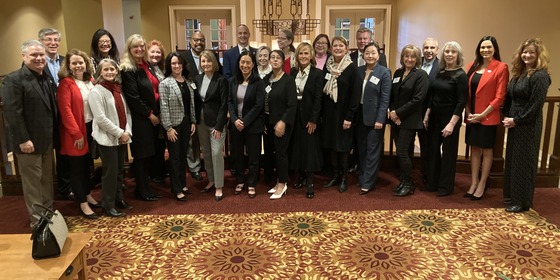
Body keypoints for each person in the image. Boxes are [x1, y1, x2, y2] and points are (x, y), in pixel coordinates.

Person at [1, 40, 58, 227]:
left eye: (41, 54)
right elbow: (12, 113)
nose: (39, 58)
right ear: (24, 56)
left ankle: (48, 215)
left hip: (46, 140)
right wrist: (24, 139)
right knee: (33, 183)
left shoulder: (46, 78)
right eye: (34, 55)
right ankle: (38, 223)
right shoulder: (13, 79)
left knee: (46, 180)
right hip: (28, 142)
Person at [502, 38, 551, 213]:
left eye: (531, 52)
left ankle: (522, 202)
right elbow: (510, 97)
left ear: (538, 55)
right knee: (513, 161)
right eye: (524, 51)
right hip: (514, 121)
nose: (527, 55)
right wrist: (507, 116)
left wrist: (517, 120)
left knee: (524, 162)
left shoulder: (541, 76)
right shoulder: (520, 73)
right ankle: (511, 196)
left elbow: (535, 105)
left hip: (528, 124)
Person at [56, 49, 101, 219]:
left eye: (80, 62)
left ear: (86, 63)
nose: (78, 65)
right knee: (77, 168)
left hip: (91, 129)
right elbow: (65, 111)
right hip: (75, 132)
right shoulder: (65, 83)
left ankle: (88, 194)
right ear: (68, 65)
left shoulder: (90, 81)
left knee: (88, 165)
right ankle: (81, 202)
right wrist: (77, 134)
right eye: (74, 63)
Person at [464, 36, 509, 200]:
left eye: (489, 47)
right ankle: (474, 182)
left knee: (486, 150)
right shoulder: (472, 65)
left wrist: (482, 115)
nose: (485, 50)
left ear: (495, 49)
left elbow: (500, 96)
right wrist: (468, 112)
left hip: (487, 116)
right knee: (474, 149)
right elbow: (466, 93)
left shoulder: (501, 67)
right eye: (482, 47)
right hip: (471, 115)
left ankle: (482, 183)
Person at [89, 58, 133, 217]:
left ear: (117, 71)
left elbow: (126, 113)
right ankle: (108, 205)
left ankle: (118, 199)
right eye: (106, 69)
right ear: (100, 72)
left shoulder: (117, 89)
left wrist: (126, 131)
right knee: (110, 173)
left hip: (121, 137)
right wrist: (120, 132)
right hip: (107, 139)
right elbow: (100, 119)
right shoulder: (96, 91)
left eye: (112, 69)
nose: (109, 72)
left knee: (119, 171)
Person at [120, 34, 161, 201]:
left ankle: (145, 187)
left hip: (152, 117)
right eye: (135, 46)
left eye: (142, 46)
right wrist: (149, 115)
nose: (139, 49)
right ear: (129, 49)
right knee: (141, 155)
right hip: (140, 119)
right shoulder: (127, 69)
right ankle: (142, 190)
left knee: (149, 154)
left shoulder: (146, 65)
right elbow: (133, 98)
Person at [424, 41, 467, 197]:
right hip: (435, 116)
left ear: (458, 55)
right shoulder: (440, 72)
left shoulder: (461, 75)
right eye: (447, 51)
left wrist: (451, 124)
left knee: (448, 153)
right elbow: (433, 94)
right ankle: (432, 183)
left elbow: (462, 101)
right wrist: (427, 113)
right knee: (433, 150)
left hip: (450, 118)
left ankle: (445, 186)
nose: (449, 54)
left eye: (453, 52)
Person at [322, 36, 361, 193]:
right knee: (332, 146)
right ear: (331, 48)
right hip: (330, 115)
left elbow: (355, 96)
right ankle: (336, 175)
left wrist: (349, 117)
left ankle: (344, 177)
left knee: (343, 148)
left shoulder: (352, 69)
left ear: (346, 49)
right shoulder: (328, 66)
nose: (337, 48)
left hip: (344, 115)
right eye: (335, 46)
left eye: (341, 46)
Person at [390, 45, 429, 197]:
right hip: (396, 119)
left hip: (410, 120)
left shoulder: (421, 75)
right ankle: (404, 181)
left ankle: (409, 183)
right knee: (402, 152)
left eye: (413, 57)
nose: (409, 59)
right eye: (406, 56)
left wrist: (398, 113)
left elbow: (418, 99)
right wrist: (393, 113)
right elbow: (393, 95)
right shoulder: (398, 73)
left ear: (417, 59)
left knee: (402, 151)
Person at [39, 28, 72, 200]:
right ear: (41, 42)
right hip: (48, 115)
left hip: (66, 112)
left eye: (56, 40)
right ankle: (55, 190)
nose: (53, 43)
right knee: (51, 153)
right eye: (48, 40)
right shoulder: (37, 62)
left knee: (65, 151)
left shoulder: (65, 61)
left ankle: (68, 186)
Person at [159, 52, 197, 201]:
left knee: (183, 155)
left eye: (179, 63)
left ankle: (182, 184)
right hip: (173, 126)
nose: (176, 66)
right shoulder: (165, 83)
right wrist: (168, 127)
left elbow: (191, 104)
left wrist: (193, 121)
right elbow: (163, 107)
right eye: (173, 63)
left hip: (186, 123)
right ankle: (176, 189)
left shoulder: (187, 82)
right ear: (169, 65)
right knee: (174, 157)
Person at [228, 51, 265, 199]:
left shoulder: (258, 82)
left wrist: (245, 121)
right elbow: (230, 102)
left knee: (253, 157)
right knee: (237, 155)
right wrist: (235, 119)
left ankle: (251, 183)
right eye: (242, 62)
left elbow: (259, 105)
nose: (245, 65)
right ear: (238, 64)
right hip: (236, 124)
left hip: (253, 125)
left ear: (253, 65)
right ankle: (240, 181)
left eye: (248, 62)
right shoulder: (232, 81)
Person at [356, 42, 391, 195]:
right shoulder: (358, 71)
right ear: (363, 55)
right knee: (361, 149)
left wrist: (380, 119)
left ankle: (368, 182)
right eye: (367, 53)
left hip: (375, 118)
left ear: (378, 55)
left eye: (373, 53)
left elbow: (385, 99)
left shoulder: (384, 72)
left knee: (372, 150)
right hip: (359, 116)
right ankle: (364, 176)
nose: (370, 56)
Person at [289, 42, 323, 199]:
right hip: (295, 116)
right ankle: (301, 176)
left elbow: (318, 98)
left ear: (311, 56)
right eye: (300, 54)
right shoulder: (293, 72)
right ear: (297, 56)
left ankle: (310, 182)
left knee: (309, 149)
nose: (303, 56)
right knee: (298, 148)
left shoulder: (317, 73)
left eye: (305, 53)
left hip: (309, 117)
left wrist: (314, 119)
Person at [195, 50, 229, 202]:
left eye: (208, 61)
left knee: (216, 154)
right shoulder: (197, 79)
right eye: (203, 61)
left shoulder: (221, 80)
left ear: (214, 62)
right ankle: (211, 180)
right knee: (206, 153)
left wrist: (219, 126)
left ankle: (219, 186)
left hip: (216, 123)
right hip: (201, 122)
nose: (206, 64)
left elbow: (224, 105)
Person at [264, 50, 297, 199]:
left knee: (281, 153)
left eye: (278, 58)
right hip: (268, 122)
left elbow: (292, 105)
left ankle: (283, 184)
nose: (275, 60)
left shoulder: (288, 80)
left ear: (283, 62)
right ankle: (278, 181)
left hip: (282, 123)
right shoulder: (267, 79)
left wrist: (283, 121)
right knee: (274, 153)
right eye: (273, 57)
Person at [180, 31, 207, 181]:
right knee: (192, 138)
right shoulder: (183, 58)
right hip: (190, 103)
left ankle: (208, 165)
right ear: (190, 41)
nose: (199, 43)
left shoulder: (210, 56)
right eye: (196, 40)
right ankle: (195, 167)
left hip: (206, 104)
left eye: (202, 40)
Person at [146, 39, 168, 184]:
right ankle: (153, 173)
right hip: (151, 112)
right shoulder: (145, 69)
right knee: (152, 143)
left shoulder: (161, 68)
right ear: (147, 52)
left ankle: (160, 170)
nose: (155, 54)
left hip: (162, 111)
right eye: (152, 51)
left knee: (160, 142)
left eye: (158, 52)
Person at [418, 37, 440, 184]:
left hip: (433, 112)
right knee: (422, 144)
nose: (429, 51)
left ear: (437, 50)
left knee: (432, 145)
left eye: (432, 48)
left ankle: (433, 178)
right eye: (426, 47)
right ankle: (424, 172)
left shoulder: (441, 66)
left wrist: (428, 110)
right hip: (416, 111)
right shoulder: (416, 62)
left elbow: (436, 91)